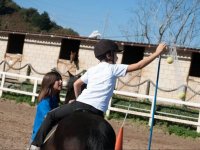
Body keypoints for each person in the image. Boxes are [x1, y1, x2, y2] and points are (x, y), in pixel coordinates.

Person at [30, 39, 166, 150]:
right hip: (97, 111)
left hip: (79, 104)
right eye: (115, 54)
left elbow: (77, 84)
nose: (117, 57)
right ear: (108, 55)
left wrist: (77, 100)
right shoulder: (114, 69)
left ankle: (35, 146)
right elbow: (139, 65)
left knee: (51, 115)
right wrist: (157, 53)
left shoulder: (92, 70)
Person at [30, 70, 62, 143]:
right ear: (50, 82)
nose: (61, 82)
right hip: (39, 139)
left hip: (48, 137)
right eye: (58, 80)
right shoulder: (44, 102)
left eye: (61, 80)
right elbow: (49, 118)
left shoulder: (54, 99)